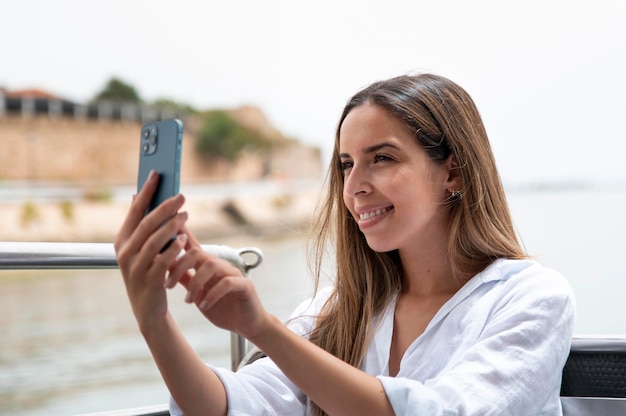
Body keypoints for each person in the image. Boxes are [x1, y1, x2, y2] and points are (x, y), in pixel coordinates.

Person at [115, 73, 575, 415]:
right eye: (345, 164)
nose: (353, 186)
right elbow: (233, 406)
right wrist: (154, 321)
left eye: (382, 158)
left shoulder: (533, 299)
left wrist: (264, 330)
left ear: (451, 172)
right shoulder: (335, 311)